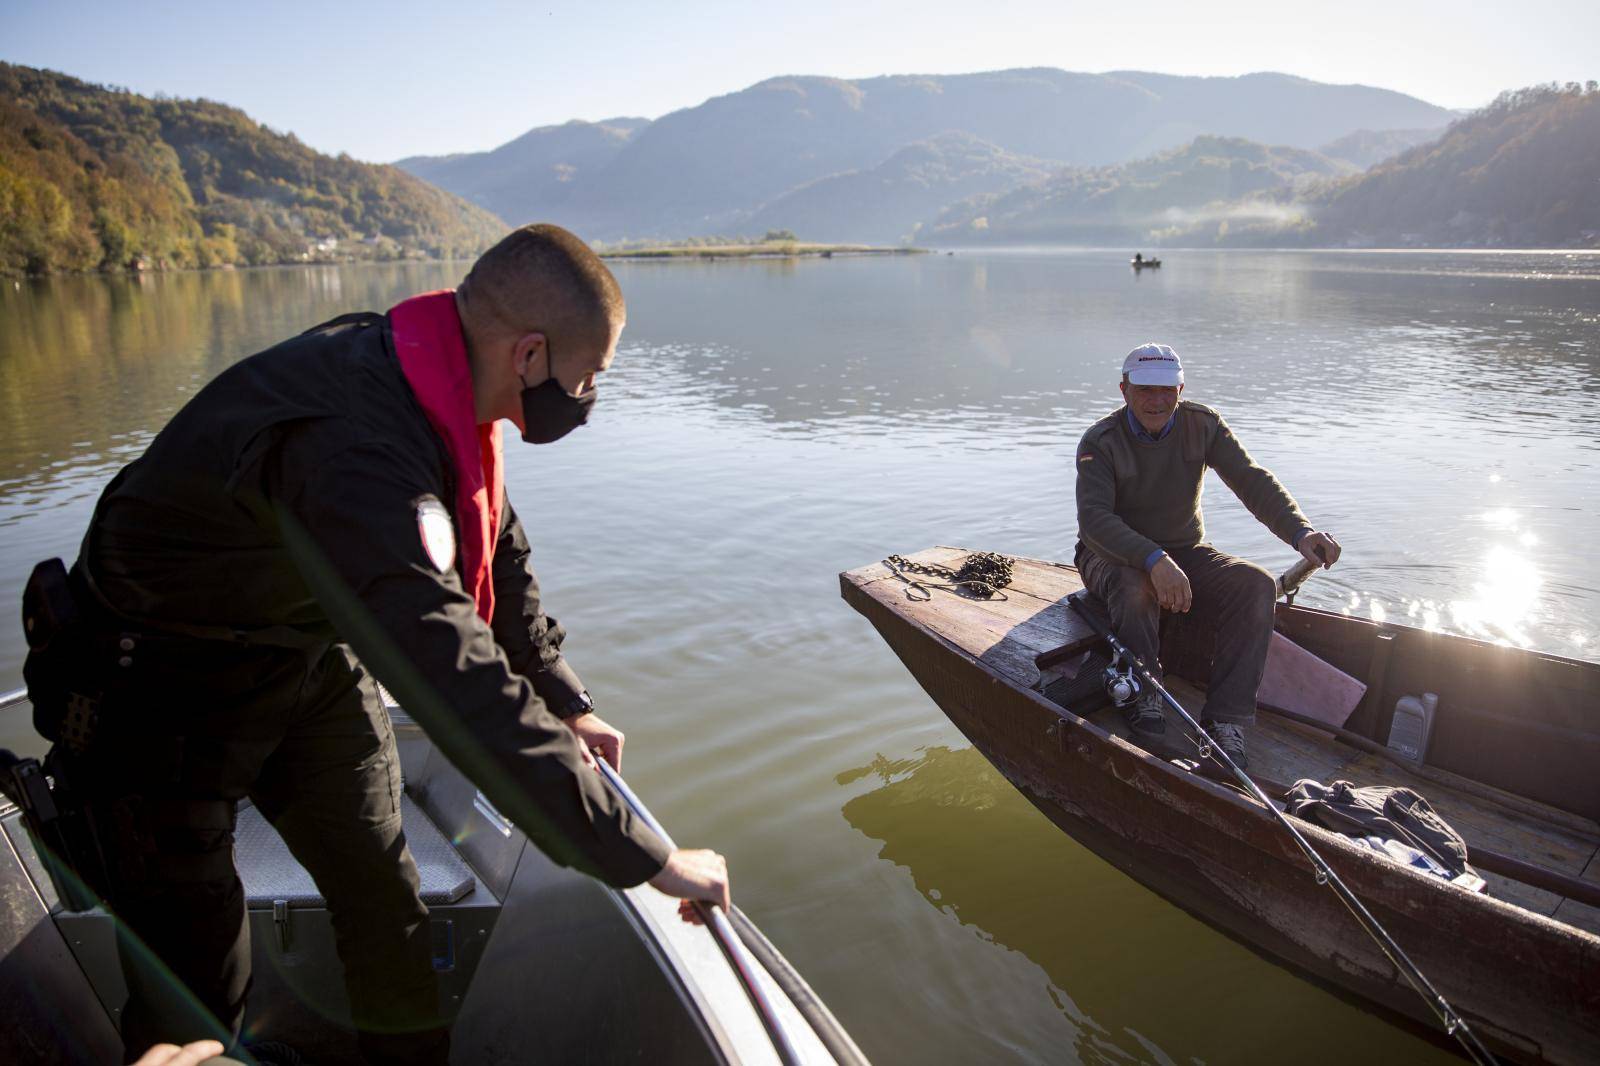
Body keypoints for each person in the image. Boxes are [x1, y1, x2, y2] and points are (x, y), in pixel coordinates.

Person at [20, 224, 730, 1064]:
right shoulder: (349, 441)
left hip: (298, 660)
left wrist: (564, 700)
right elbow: (449, 673)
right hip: (159, 686)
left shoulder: (435, 382)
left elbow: (493, 547)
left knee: (387, 901)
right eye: (590, 376)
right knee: (195, 985)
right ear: (531, 355)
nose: (587, 397)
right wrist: (647, 856)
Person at [1073, 343, 1340, 768]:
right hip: (1109, 556)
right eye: (1145, 390)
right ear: (1123, 389)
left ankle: (1225, 722)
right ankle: (1144, 691)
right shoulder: (1100, 441)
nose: (1157, 401)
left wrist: (1300, 531)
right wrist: (1152, 558)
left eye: (1167, 391)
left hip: (1185, 550)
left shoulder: (1204, 425)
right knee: (1134, 585)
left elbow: (1252, 481)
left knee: (1254, 585)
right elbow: (1094, 521)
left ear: (1181, 389)